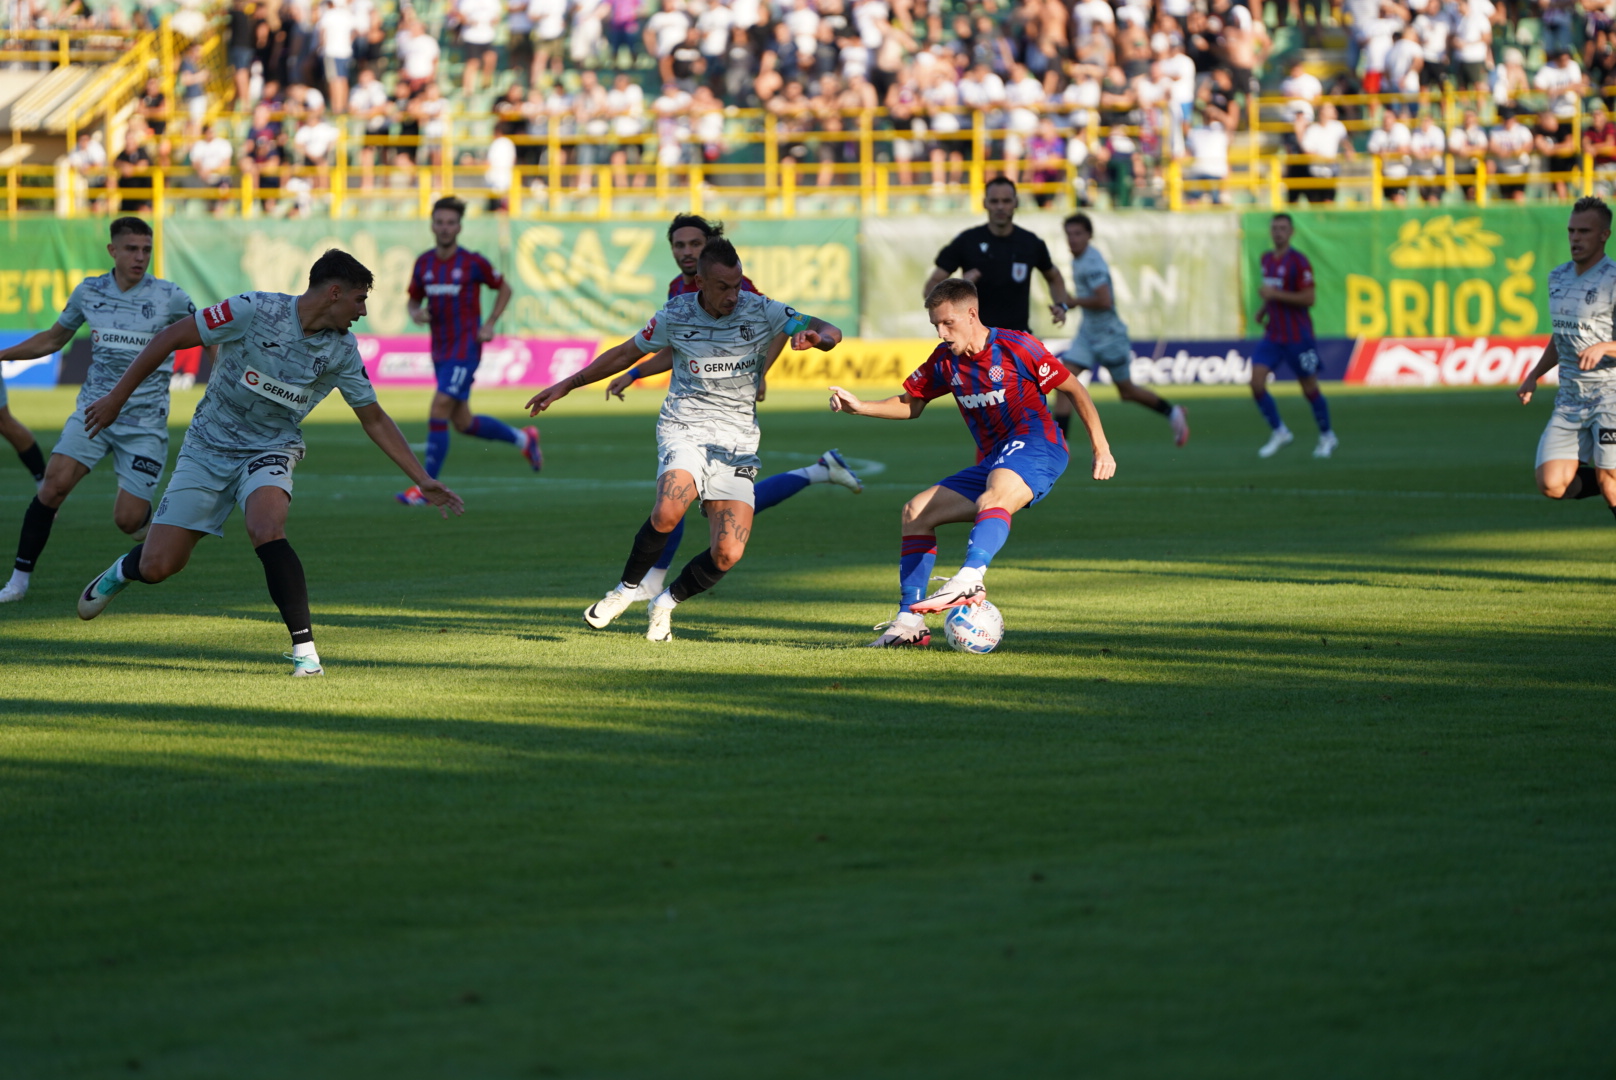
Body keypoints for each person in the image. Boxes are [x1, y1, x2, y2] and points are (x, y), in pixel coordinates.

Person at [74, 250, 463, 676]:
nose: (362, 310)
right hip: (206, 445)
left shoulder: (342, 351)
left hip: (271, 447)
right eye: (358, 299)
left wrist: (422, 478)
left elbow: (374, 418)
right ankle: (123, 570)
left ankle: (306, 655)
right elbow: (169, 338)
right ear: (334, 293)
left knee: (266, 527)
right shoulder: (252, 309)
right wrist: (115, 399)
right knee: (159, 565)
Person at [527, 238, 843, 642]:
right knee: (668, 510)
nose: (734, 295)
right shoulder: (675, 315)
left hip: (737, 442)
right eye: (723, 287)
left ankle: (666, 602)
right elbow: (626, 353)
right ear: (699, 282)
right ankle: (623, 592)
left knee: (728, 552)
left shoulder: (761, 309)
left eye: (737, 285)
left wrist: (816, 339)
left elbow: (829, 330)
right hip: (685, 427)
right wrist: (567, 385)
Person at [827, 277, 1115, 648]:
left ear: (971, 314)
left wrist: (1101, 447)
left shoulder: (1017, 347)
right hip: (997, 459)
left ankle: (970, 577)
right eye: (935, 325)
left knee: (991, 498)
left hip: (1038, 446)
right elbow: (912, 404)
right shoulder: (944, 361)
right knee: (916, 512)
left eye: (948, 323)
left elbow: (1073, 388)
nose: (941, 332)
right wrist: (861, 407)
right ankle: (909, 622)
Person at [602, 214, 865, 596]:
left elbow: (773, 325)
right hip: (695, 414)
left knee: (718, 507)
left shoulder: (735, 288)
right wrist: (635, 372)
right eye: (680, 245)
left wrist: (762, 373)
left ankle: (654, 580)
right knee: (682, 499)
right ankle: (818, 471)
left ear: (710, 247)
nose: (687, 251)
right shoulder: (681, 290)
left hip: (732, 413)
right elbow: (679, 348)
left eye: (695, 244)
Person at [0, 217, 204, 604]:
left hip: (144, 424)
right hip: (93, 413)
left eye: (146, 249)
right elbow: (54, 338)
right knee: (52, 486)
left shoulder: (169, 296)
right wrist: (3, 354)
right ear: (112, 250)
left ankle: (151, 531)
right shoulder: (89, 292)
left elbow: (207, 331)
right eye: (131, 248)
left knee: (127, 519)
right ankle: (18, 582)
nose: (140, 257)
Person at [397, 197, 539, 506]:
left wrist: (489, 324)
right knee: (462, 422)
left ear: (459, 227)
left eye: (451, 222)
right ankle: (525, 439)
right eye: (440, 222)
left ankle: (425, 489)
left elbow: (505, 288)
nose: (445, 228)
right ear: (432, 225)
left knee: (438, 407)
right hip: (440, 350)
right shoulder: (424, 264)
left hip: (466, 348)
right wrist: (415, 312)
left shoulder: (473, 262)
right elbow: (412, 299)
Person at [1516, 196, 1616, 523]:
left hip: (1609, 397)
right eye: (1571, 230)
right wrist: (1534, 374)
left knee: (1610, 481)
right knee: (1552, 483)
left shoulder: (1613, 280)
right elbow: (1563, 336)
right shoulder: (1557, 278)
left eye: (1584, 231)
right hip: (1570, 400)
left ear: (1604, 235)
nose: (1575, 238)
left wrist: (1606, 347)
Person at [1059, 213, 1188, 446]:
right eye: (1069, 234)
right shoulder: (1078, 259)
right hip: (1088, 333)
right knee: (1063, 381)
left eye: (1078, 234)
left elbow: (1104, 300)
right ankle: (1059, 444)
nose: (1073, 239)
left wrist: (1073, 301)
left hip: (1109, 336)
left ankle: (1172, 412)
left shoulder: (1092, 262)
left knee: (1127, 391)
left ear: (1089, 236)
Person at [923, 176, 1075, 334]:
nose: (1000, 207)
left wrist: (1061, 305)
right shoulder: (966, 241)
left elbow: (1054, 276)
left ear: (1016, 203)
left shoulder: (1030, 243)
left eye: (1006, 201)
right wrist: (958, 288)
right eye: (994, 201)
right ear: (985, 203)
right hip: (974, 341)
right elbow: (929, 291)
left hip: (1017, 339)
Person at [1251, 213, 1335, 459]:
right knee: (1256, 382)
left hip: (1299, 336)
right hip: (1273, 335)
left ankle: (1327, 435)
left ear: (1291, 232)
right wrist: (1263, 309)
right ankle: (1280, 431)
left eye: (1282, 228)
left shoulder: (1299, 262)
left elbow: (1309, 298)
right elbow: (1271, 292)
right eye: (1274, 228)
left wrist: (1274, 296)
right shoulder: (1266, 259)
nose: (1278, 232)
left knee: (1309, 387)